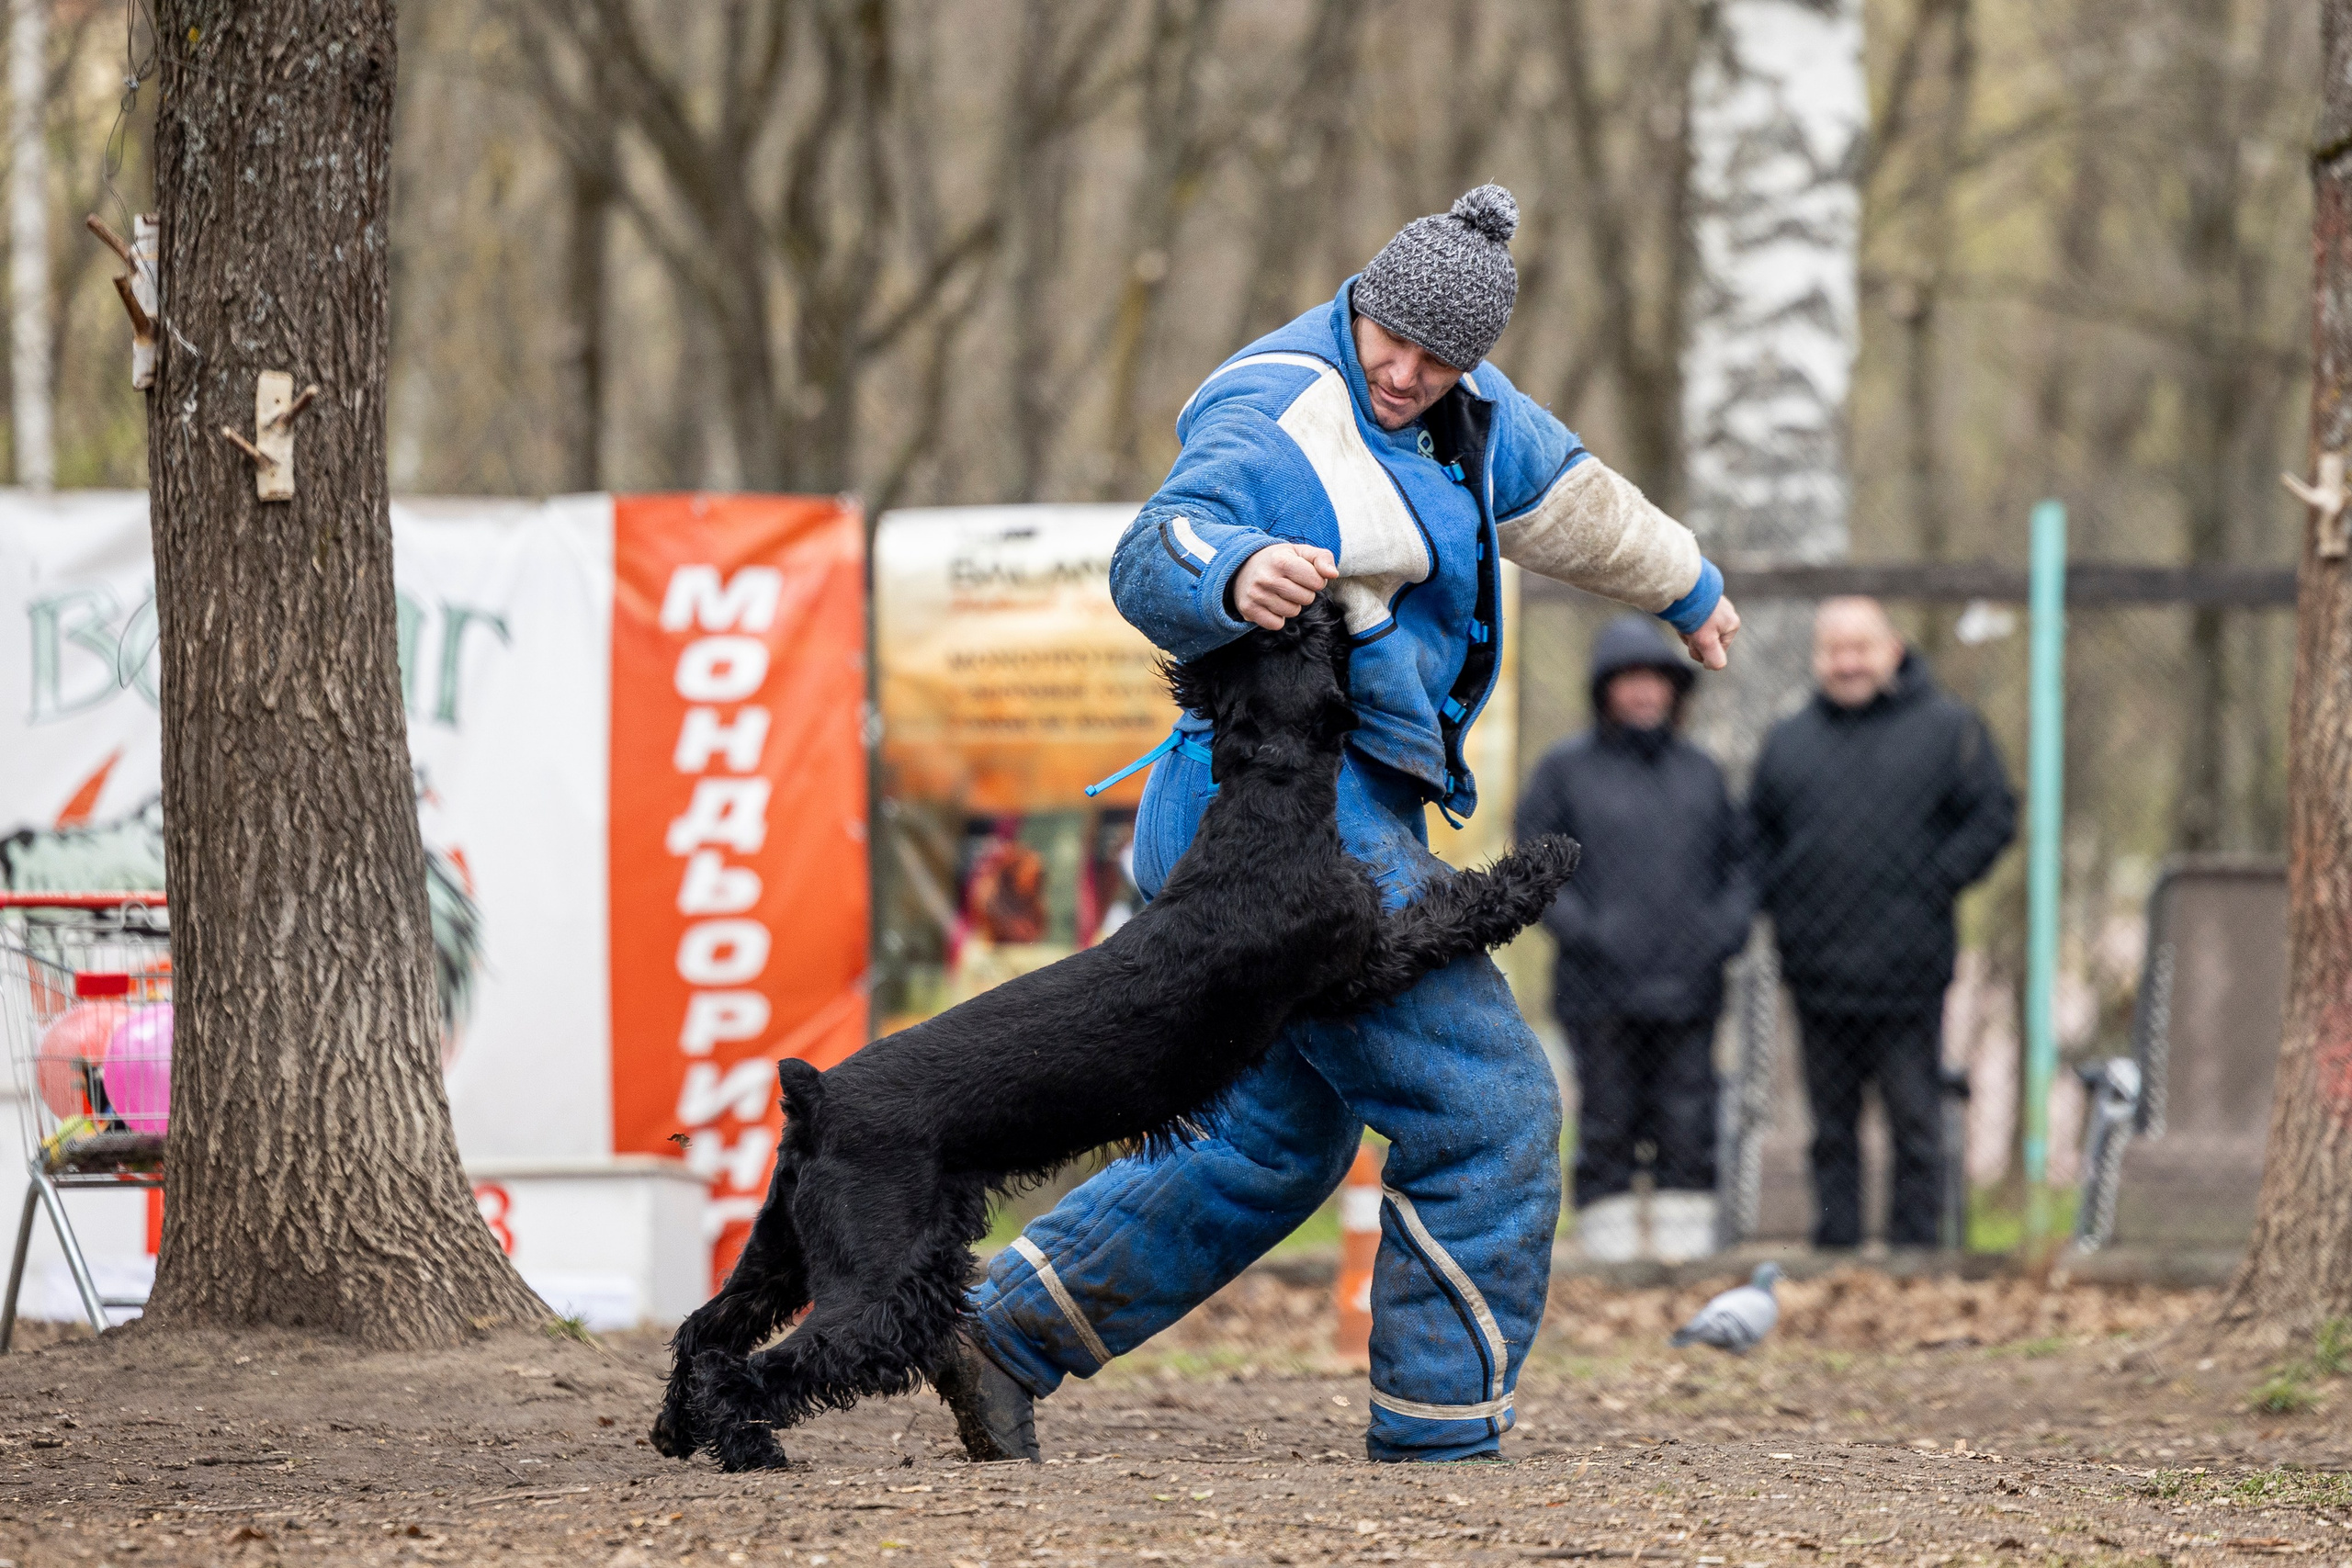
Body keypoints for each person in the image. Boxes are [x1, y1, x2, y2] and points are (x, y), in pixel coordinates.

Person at [937, 185, 1741, 1464]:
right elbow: (1156, 544)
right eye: (1392, 341)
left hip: (1293, 811)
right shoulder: (1280, 414)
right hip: (1285, 825)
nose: (1406, 374)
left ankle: (999, 1334)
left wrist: (1687, 587)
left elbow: (1569, 496)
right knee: (1486, 1107)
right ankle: (1439, 1437)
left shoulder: (1469, 411)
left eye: (1439, 359)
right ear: (1359, 301)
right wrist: (1230, 571)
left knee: (1272, 1138)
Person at [1749, 597, 2015, 1250]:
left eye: (1860, 647)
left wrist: (1935, 878)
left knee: (1915, 1125)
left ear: (1892, 649)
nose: (1847, 663)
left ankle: (1915, 1255)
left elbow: (1993, 815)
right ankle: (1835, 1251)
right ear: (1818, 658)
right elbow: (1754, 838)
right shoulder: (1787, 742)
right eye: (1833, 649)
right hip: (1817, 974)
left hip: (1910, 973)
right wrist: (1786, 902)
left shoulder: (1950, 731)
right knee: (1829, 1130)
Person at [1516, 615, 1751, 1264]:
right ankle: (1609, 1249)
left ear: (1676, 689)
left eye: (1656, 680)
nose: (1645, 693)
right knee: (1608, 1115)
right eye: (1630, 680)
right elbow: (1535, 867)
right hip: (1598, 990)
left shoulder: (1703, 773)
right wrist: (1590, 934)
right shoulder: (1563, 771)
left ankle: (1685, 1250)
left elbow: (1741, 866)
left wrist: (1721, 934)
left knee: (1688, 1115)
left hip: (1690, 986)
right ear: (1605, 689)